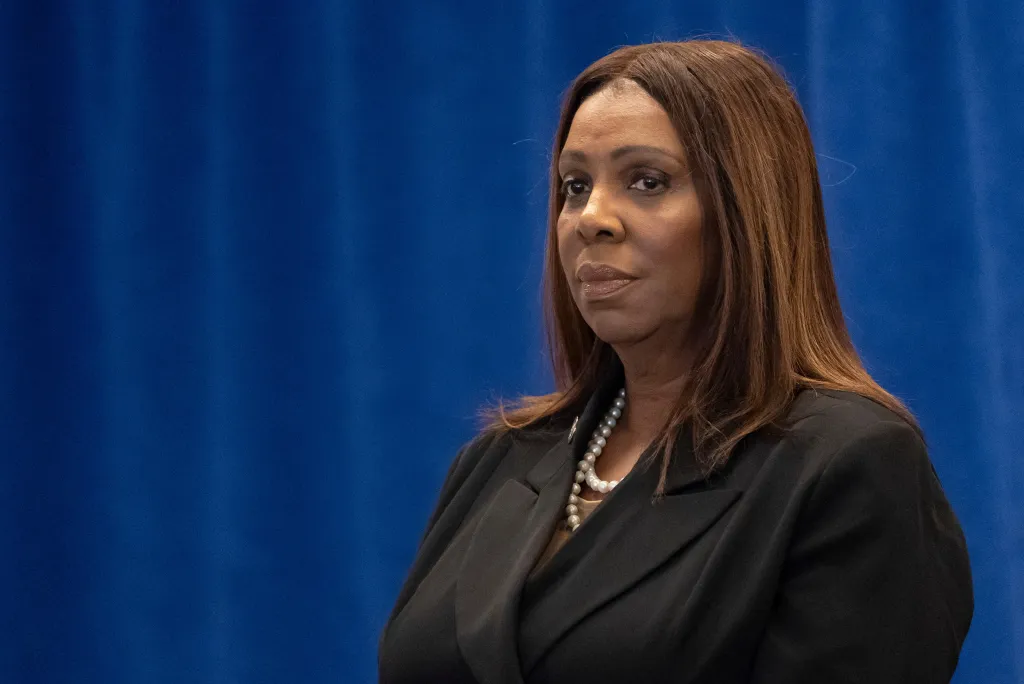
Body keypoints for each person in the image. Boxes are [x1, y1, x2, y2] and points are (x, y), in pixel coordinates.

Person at [377, 40, 973, 683]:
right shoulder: (497, 461)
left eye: (646, 181)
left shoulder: (846, 464)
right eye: (574, 186)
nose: (591, 218)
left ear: (746, 211)